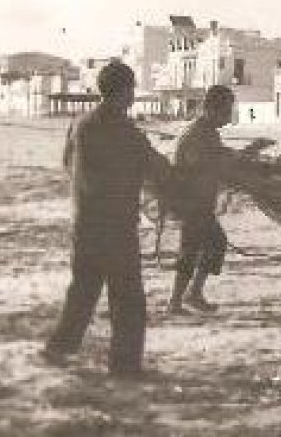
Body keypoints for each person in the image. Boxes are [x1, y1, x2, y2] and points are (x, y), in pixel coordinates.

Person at [42, 61, 172, 377]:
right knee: (127, 300)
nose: (133, 95)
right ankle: (124, 367)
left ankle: (58, 349)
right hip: (117, 230)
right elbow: (160, 171)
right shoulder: (129, 133)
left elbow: (66, 163)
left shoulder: (80, 123)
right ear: (126, 91)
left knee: (83, 290)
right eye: (132, 89)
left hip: (85, 224)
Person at [166, 85, 271, 315]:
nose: (227, 117)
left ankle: (185, 297)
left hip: (197, 202)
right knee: (202, 246)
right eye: (225, 111)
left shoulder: (206, 131)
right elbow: (214, 162)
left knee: (201, 246)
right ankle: (182, 298)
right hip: (191, 203)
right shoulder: (197, 134)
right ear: (211, 109)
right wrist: (249, 153)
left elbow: (221, 157)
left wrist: (248, 152)